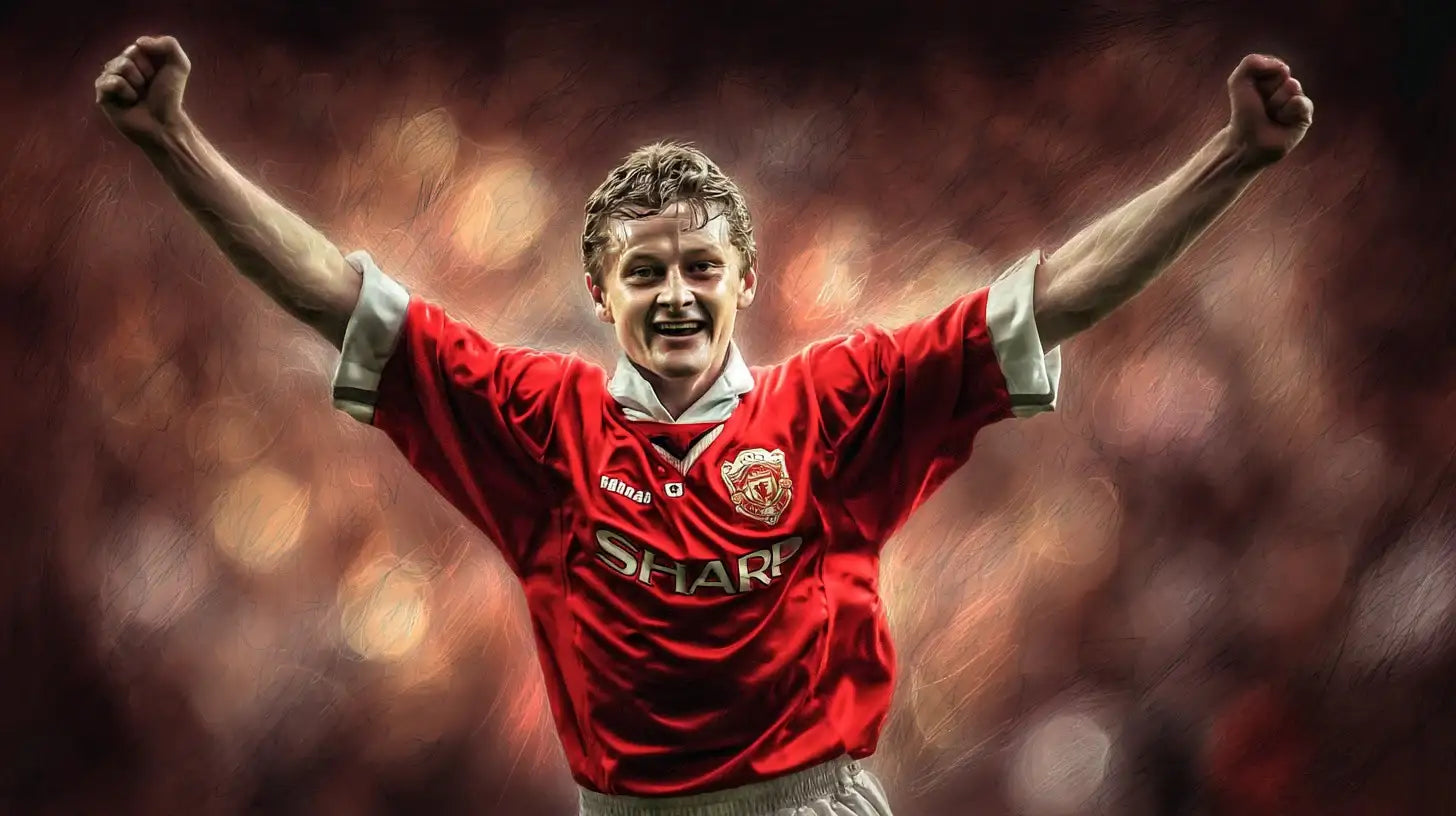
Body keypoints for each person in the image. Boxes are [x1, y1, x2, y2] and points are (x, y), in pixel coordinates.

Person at [94, 34, 1313, 816]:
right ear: (600, 295)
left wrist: (1229, 161)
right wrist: (175, 143)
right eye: (644, 272)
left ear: (743, 282)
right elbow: (332, 293)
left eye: (699, 266)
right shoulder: (536, 416)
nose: (674, 293)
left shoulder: (836, 401)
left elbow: (1052, 294)